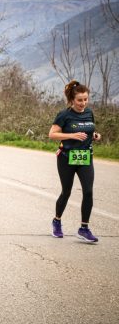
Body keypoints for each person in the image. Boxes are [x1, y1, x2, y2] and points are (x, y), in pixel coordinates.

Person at [48, 80, 101, 243]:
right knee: (66, 192)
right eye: (79, 100)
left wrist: (95, 135)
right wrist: (71, 135)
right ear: (72, 99)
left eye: (85, 99)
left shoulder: (89, 113)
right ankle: (57, 221)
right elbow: (52, 134)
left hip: (85, 157)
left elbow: (89, 129)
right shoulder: (64, 115)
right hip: (66, 158)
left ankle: (84, 228)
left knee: (88, 191)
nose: (83, 103)